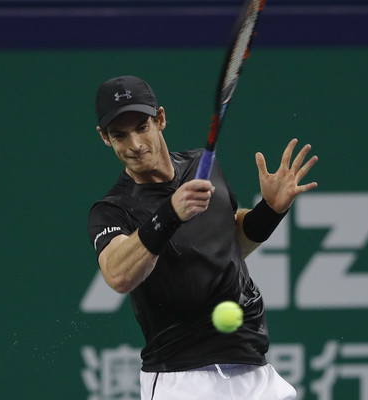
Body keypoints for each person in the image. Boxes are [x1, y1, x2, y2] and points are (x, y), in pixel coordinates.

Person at [88, 75, 318, 400]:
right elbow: (118, 274)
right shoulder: (112, 210)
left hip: (254, 370)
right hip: (183, 381)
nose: (135, 144)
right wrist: (170, 213)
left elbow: (228, 244)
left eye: (142, 127)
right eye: (120, 135)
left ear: (161, 119)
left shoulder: (202, 166)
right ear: (105, 138)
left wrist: (270, 212)